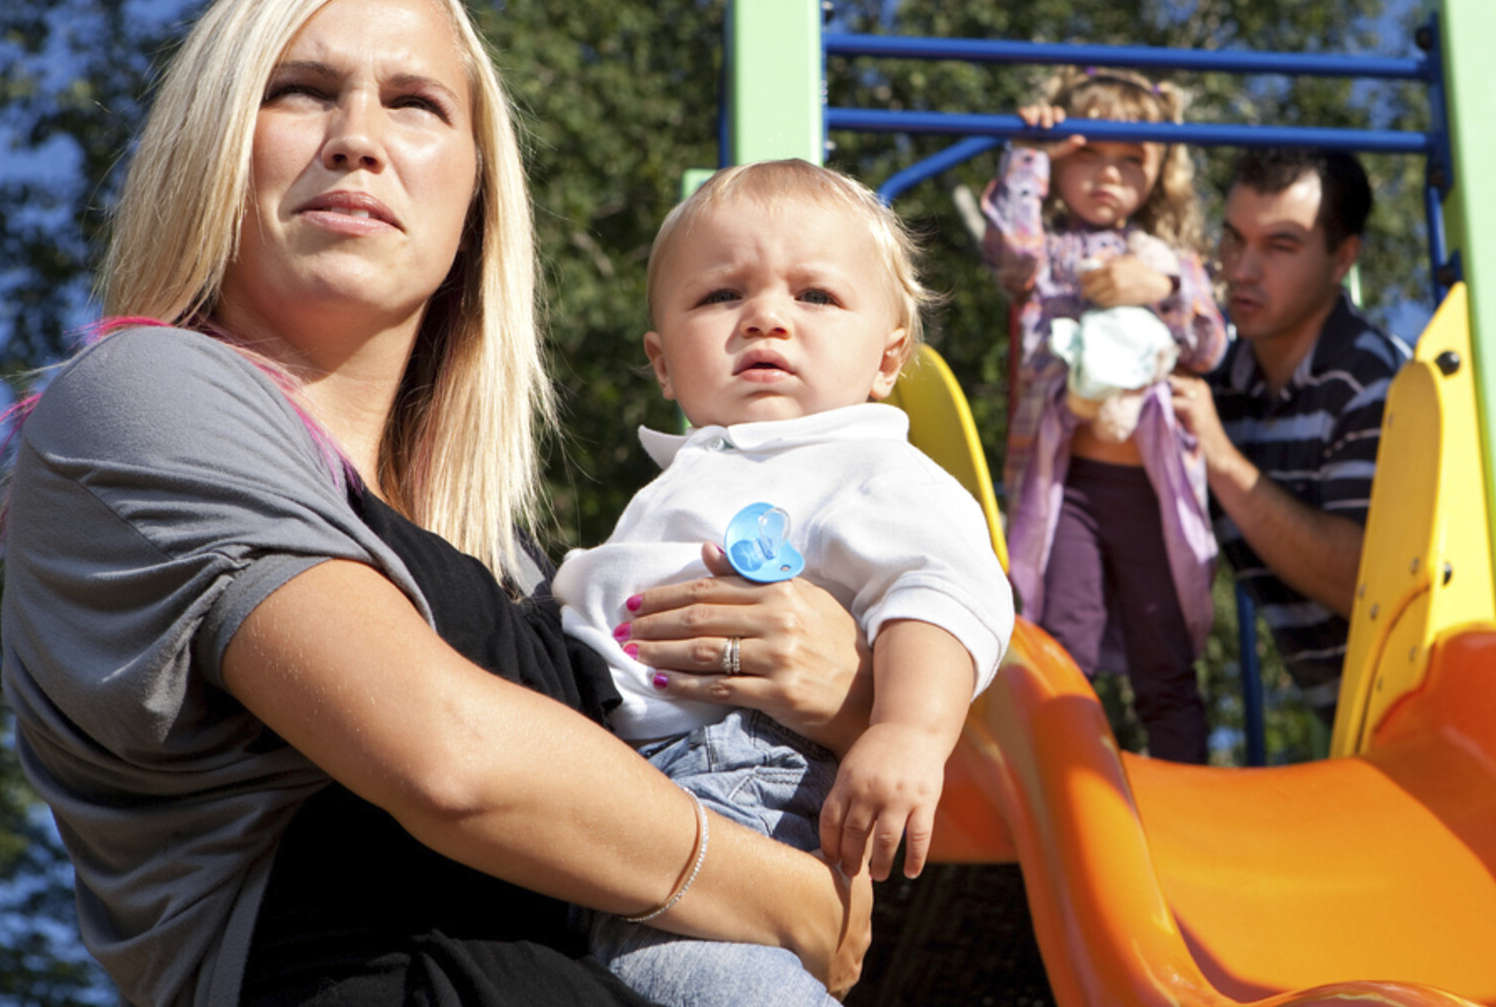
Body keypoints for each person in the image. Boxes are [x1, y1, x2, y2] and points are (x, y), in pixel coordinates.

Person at [0, 0, 871, 1007]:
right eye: (301, 90)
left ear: (476, 197)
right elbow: (449, 756)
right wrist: (786, 900)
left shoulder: (508, 562)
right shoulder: (140, 395)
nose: (356, 139)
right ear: (214, 143)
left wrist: (846, 688)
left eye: (414, 104)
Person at [554, 160, 1014, 1004]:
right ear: (662, 362)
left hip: (741, 784)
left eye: (817, 297)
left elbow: (944, 590)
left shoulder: (870, 467)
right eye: (721, 296)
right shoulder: (678, 483)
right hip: (611, 795)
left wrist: (909, 730)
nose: (766, 316)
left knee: (710, 981)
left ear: (888, 357)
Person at [979, 67, 1228, 764]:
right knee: (1066, 639)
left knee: (1165, 653)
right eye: (1089, 154)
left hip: (1150, 491)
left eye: (1130, 161)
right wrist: (1032, 153)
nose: (1108, 176)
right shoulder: (1049, 258)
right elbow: (1009, 251)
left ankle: (1189, 792)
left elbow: (1209, 344)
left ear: (1158, 175)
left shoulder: (1171, 261)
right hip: (1072, 489)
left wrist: (1164, 287)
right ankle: (1067, 785)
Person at [1170, 147, 1405, 725]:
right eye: (1233, 239)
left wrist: (1220, 456)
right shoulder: (1223, 383)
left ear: (1342, 259)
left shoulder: (1372, 382)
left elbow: (1364, 581)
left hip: (1429, 715)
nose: (1243, 269)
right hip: (1352, 723)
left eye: (1280, 246)